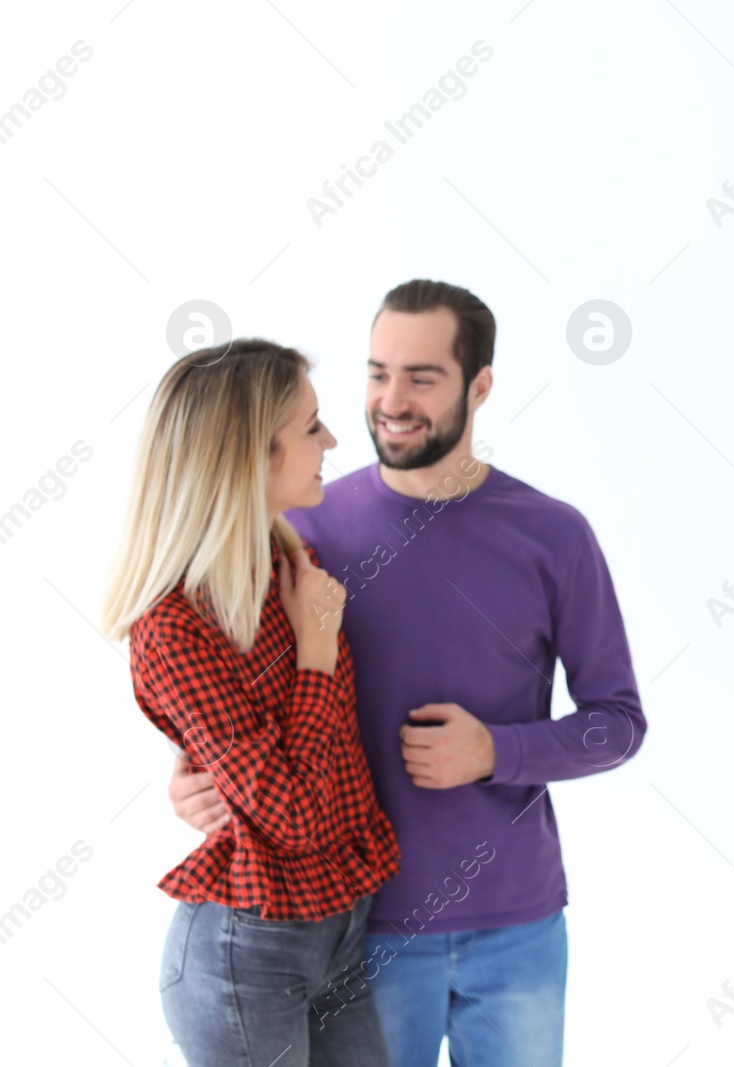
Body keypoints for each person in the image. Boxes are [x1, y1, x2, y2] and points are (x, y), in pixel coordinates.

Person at [166, 279, 647, 1067]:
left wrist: (498, 750)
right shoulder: (300, 529)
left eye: (422, 377)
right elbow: (232, 697)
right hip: (360, 930)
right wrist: (195, 777)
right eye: (377, 372)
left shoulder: (555, 536)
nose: (391, 399)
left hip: (519, 927)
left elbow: (617, 720)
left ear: (479, 386)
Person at [103, 339, 401, 1065]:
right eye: (310, 426)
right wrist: (318, 649)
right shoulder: (174, 628)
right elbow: (293, 813)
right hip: (248, 951)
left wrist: (204, 762)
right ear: (252, 457)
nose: (331, 439)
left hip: (340, 924)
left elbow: (292, 760)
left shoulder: (288, 566)